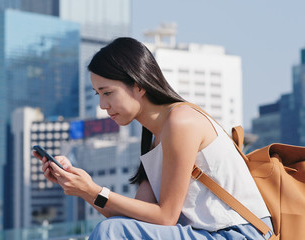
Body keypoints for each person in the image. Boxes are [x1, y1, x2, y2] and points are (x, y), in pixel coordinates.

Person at [33, 37, 273, 239]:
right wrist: (82, 188)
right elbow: (136, 217)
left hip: (237, 233)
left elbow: (166, 216)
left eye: (108, 93)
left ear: (138, 85)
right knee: (113, 229)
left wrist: (94, 189)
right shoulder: (154, 138)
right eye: (98, 94)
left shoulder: (181, 121)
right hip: (208, 233)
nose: (102, 105)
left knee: (111, 232)